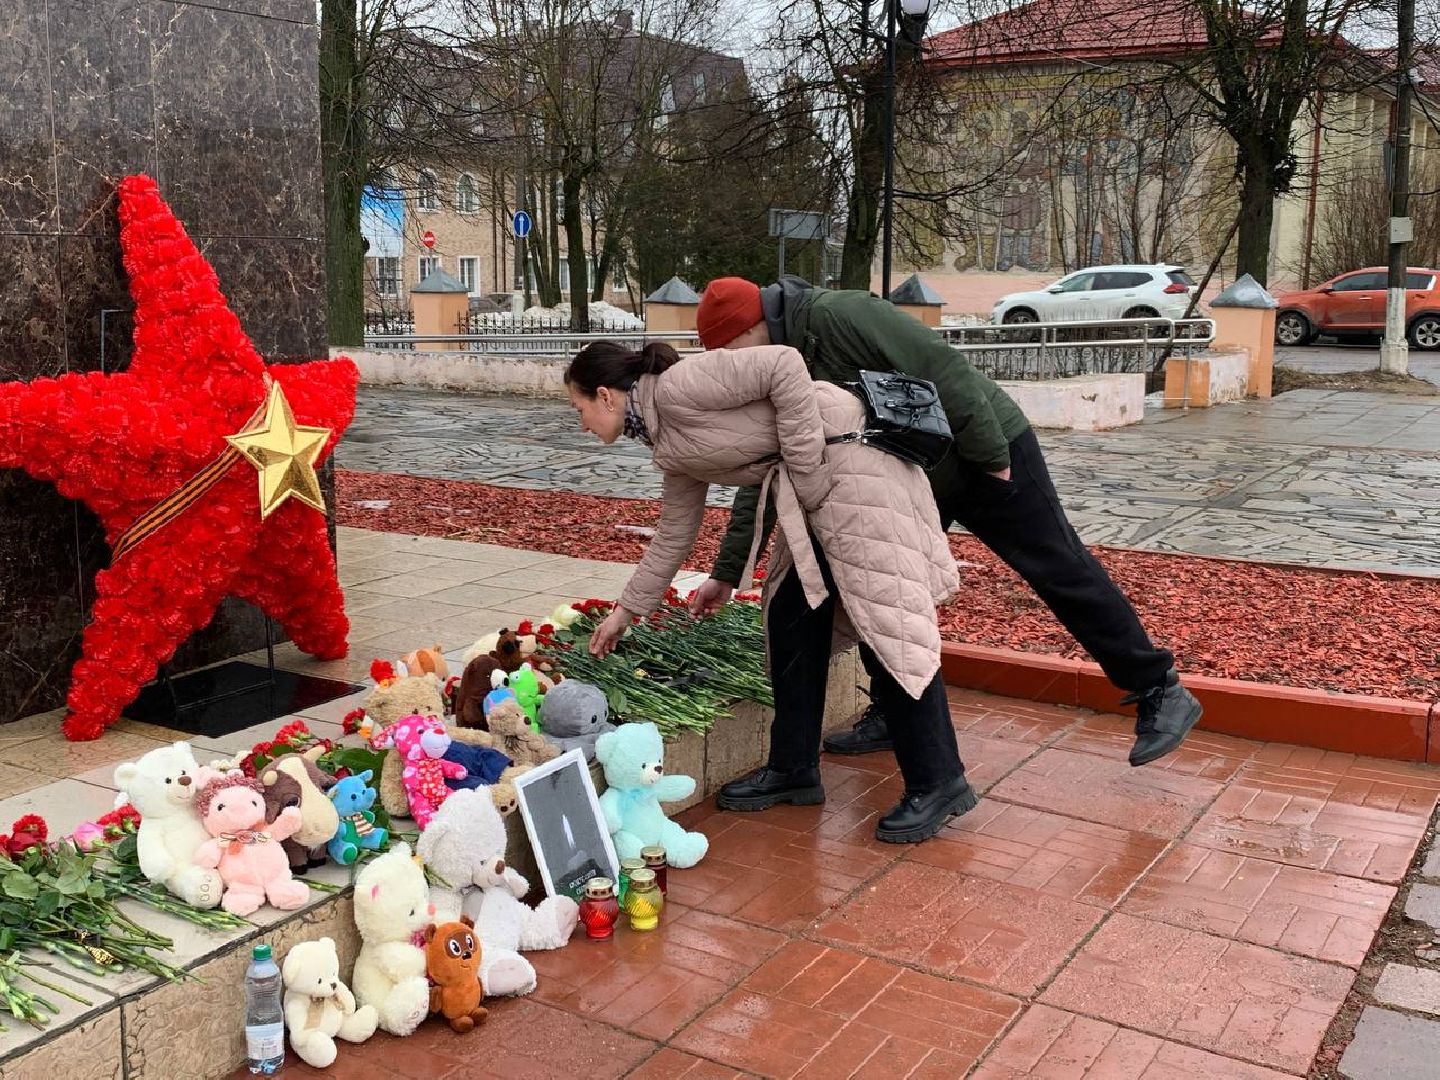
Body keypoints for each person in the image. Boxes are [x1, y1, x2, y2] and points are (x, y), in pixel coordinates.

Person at [689, 275, 1201, 795]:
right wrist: (728, 571)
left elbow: (943, 369)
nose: (735, 368)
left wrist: (993, 457)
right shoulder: (776, 368)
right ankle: (877, 720)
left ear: (754, 326)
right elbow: (771, 467)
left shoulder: (839, 315)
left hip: (986, 452)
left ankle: (1158, 687)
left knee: (1056, 566)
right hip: (913, 476)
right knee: (874, 584)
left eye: (731, 351)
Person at [564, 339, 974, 843]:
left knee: (890, 626)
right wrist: (624, 613)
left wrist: (805, 469)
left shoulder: (677, 388)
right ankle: (794, 768)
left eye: (578, 408)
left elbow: (785, 363)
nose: (580, 424)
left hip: (854, 469)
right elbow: (673, 535)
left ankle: (940, 780)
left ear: (606, 396)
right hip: (819, 489)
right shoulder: (667, 443)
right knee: (790, 618)